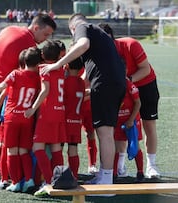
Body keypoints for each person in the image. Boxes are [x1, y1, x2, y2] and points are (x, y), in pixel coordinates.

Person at [40, 13, 126, 187]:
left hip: (106, 83)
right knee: (106, 132)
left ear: (73, 28)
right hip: (115, 82)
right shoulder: (98, 34)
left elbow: (83, 44)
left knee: (105, 133)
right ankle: (104, 175)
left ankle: (106, 180)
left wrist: (56, 65)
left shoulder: (82, 27)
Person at [0, 13, 56, 184]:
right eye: (46, 34)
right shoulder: (29, 43)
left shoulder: (8, 29)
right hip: (4, 86)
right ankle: (17, 172)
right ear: (36, 28)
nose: (45, 39)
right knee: (5, 132)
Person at [99, 23, 161, 179]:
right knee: (120, 126)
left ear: (111, 37)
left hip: (146, 84)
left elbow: (145, 69)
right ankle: (119, 166)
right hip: (122, 88)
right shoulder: (101, 52)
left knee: (148, 124)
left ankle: (151, 166)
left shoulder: (130, 44)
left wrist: (127, 81)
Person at [0, 47, 43, 192]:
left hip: (12, 118)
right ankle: (29, 180)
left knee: (11, 151)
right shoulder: (39, 78)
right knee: (24, 151)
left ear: (23, 61)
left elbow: (2, 88)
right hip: (27, 117)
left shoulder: (15, 74)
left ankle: (15, 182)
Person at [24, 40, 66, 197]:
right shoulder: (61, 68)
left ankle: (48, 182)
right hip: (60, 111)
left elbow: (45, 90)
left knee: (38, 147)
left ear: (42, 55)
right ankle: (61, 180)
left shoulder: (43, 69)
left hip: (47, 113)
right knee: (56, 148)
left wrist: (33, 108)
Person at [113, 77, 144, 183]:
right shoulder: (112, 83)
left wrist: (131, 120)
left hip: (132, 120)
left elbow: (138, 103)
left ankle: (140, 173)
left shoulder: (130, 85)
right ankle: (114, 174)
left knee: (135, 146)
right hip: (118, 121)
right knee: (116, 147)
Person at [63, 56, 85, 180]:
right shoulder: (81, 82)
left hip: (65, 120)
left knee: (58, 148)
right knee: (73, 148)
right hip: (76, 121)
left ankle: (58, 175)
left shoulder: (65, 82)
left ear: (67, 65)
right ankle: (74, 175)